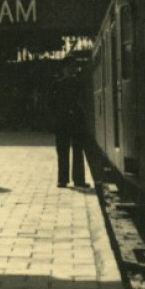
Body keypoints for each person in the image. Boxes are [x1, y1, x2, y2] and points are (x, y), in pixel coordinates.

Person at [46, 56, 89, 189]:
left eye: (73, 67)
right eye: (69, 67)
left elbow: (85, 101)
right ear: (63, 69)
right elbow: (50, 104)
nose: (71, 69)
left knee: (75, 151)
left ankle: (74, 180)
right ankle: (67, 180)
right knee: (65, 152)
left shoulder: (77, 83)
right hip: (64, 122)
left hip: (73, 121)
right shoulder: (57, 84)